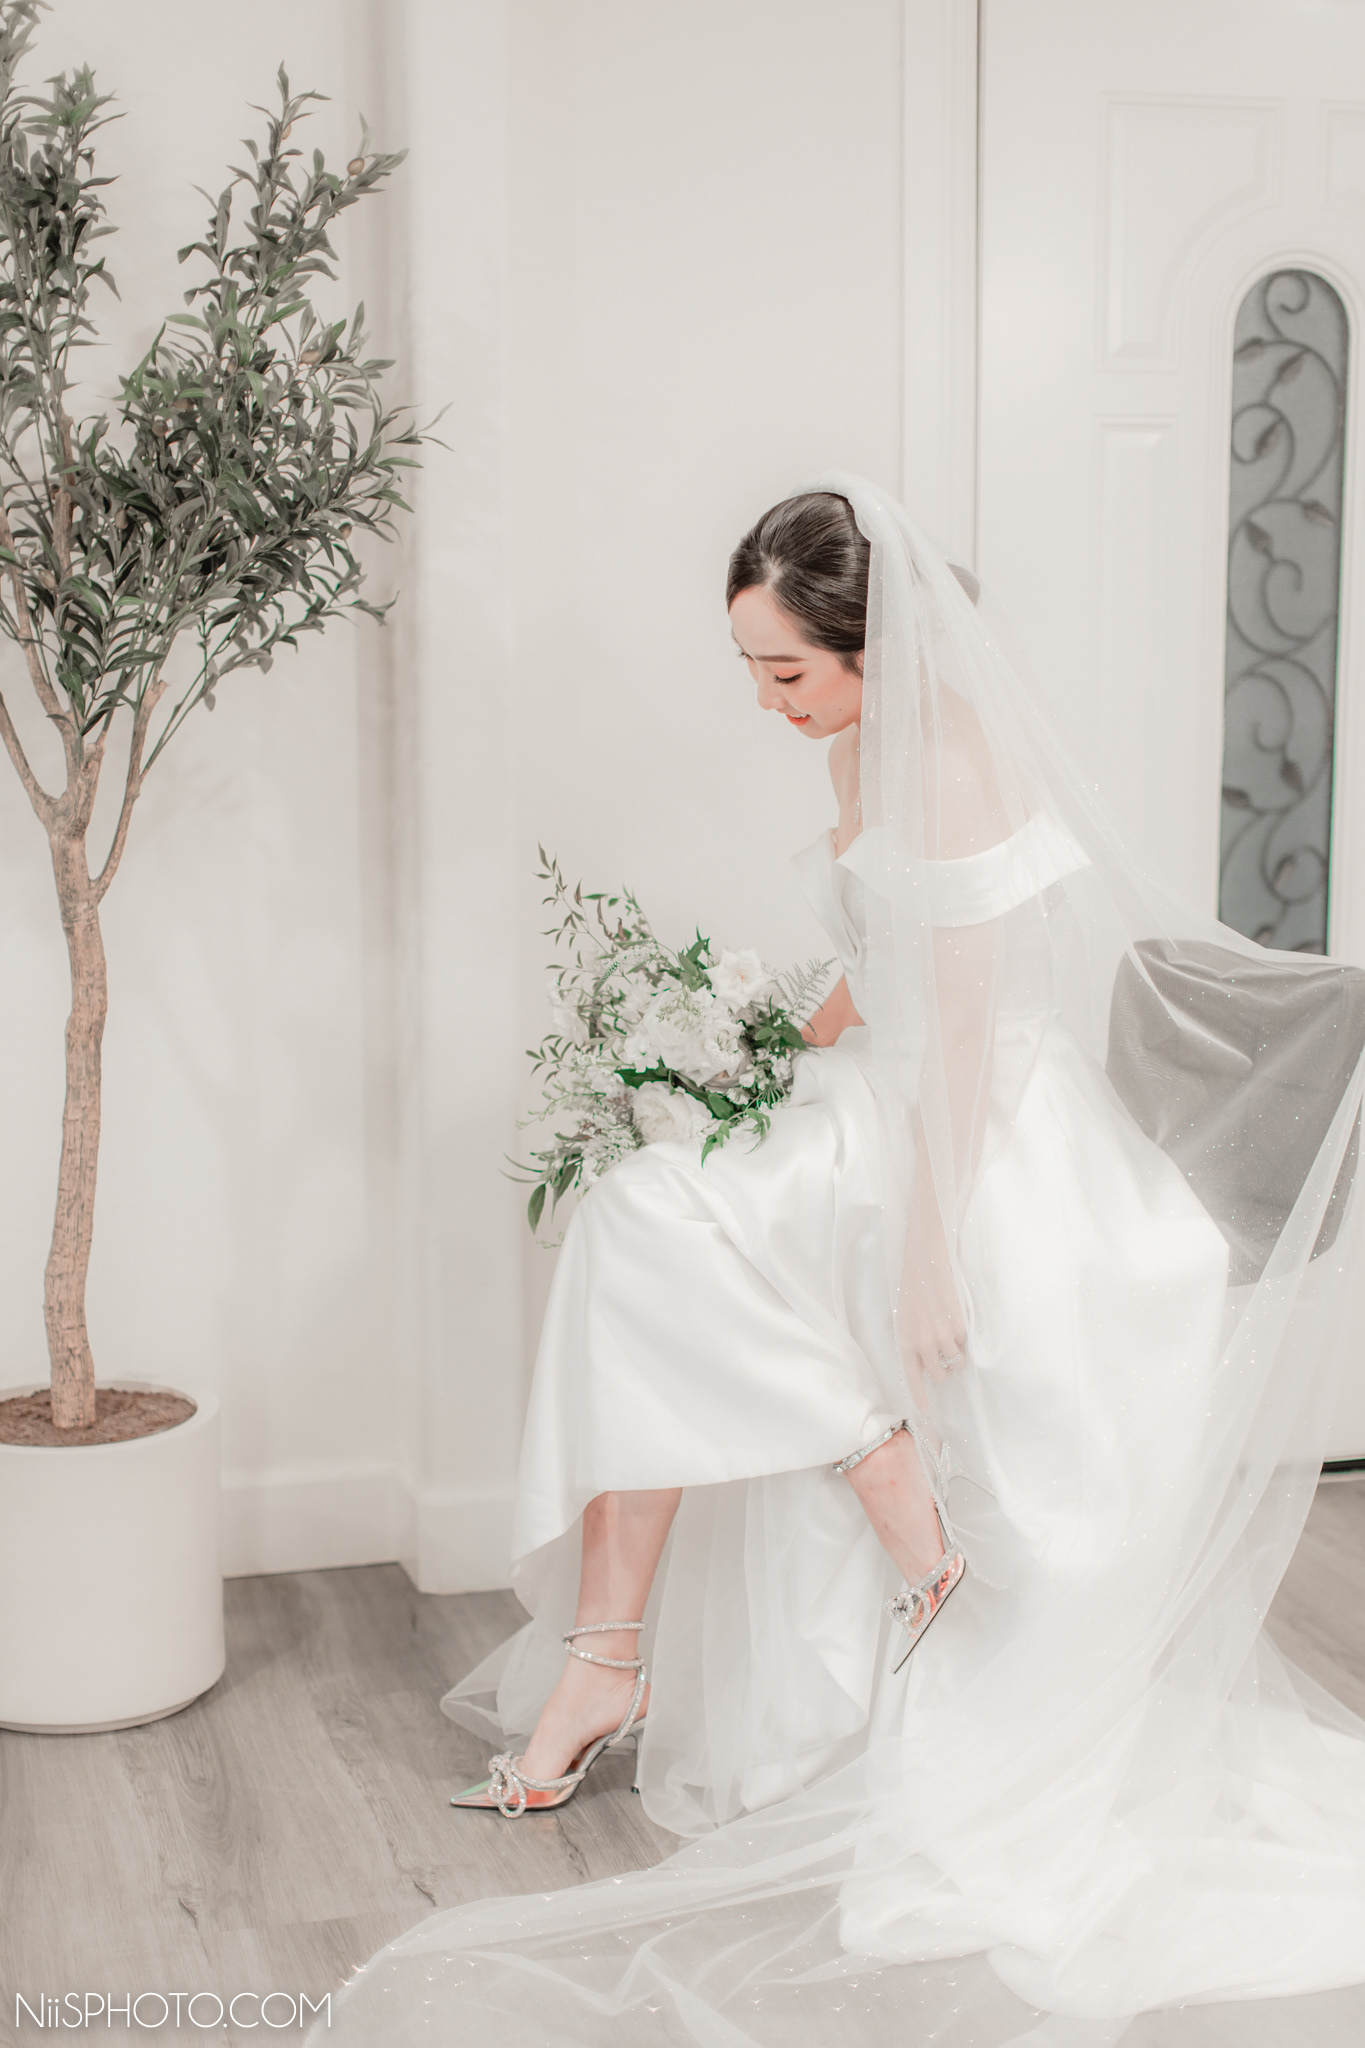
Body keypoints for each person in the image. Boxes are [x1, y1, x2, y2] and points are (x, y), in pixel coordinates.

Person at [327, 477, 1365, 2047]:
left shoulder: (945, 766)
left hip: (975, 1136)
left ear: (881, 652)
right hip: (877, 1097)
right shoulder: (859, 748)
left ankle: (739, 1572)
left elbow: (961, 1034)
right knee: (637, 1215)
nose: (765, 699)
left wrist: (929, 1255)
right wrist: (740, 1047)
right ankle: (657, 1621)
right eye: (749, 667)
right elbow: (878, 977)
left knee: (647, 1227)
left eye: (786, 670)